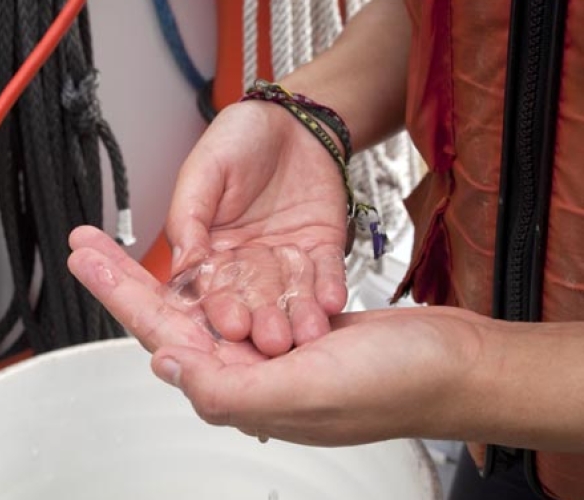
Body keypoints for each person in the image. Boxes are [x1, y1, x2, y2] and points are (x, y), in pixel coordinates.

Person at [68, 0, 584, 498]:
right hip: (502, 444)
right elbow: (452, 18)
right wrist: (306, 113)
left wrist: (473, 374)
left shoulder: (467, 379)